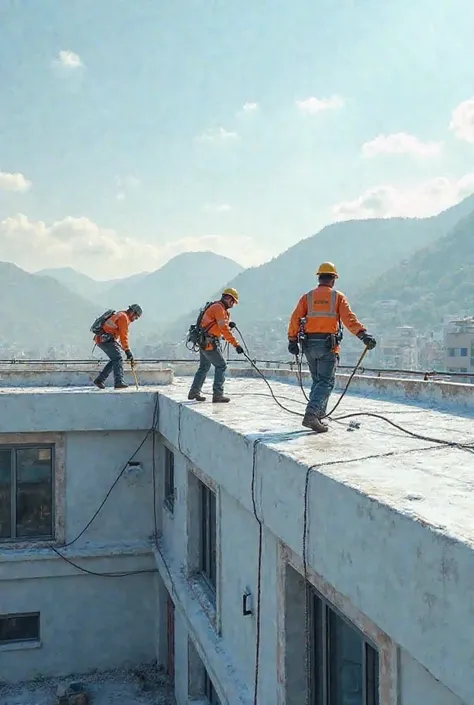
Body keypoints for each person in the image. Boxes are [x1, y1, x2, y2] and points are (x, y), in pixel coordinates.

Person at [287, 262, 376, 433]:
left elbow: (295, 319)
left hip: (309, 346)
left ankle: (319, 416)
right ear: (334, 279)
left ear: (319, 278)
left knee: (318, 381)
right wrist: (363, 335)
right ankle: (312, 415)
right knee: (326, 382)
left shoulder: (308, 297)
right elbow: (349, 319)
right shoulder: (337, 297)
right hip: (327, 346)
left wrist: (292, 340)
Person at [188, 288, 244, 403]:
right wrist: (236, 345)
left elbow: (219, 325)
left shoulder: (218, 307)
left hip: (204, 341)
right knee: (221, 366)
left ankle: (194, 392)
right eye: (232, 302)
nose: (232, 305)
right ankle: (218, 394)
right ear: (228, 298)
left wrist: (229, 324)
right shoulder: (219, 308)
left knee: (204, 367)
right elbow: (224, 329)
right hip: (209, 343)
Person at [93, 304, 143, 389]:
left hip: (102, 339)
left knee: (115, 359)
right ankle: (119, 382)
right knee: (118, 358)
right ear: (132, 312)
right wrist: (127, 351)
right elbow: (124, 336)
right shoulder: (124, 318)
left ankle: (100, 380)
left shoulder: (121, 314)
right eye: (136, 317)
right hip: (105, 340)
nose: (135, 319)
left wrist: (125, 349)